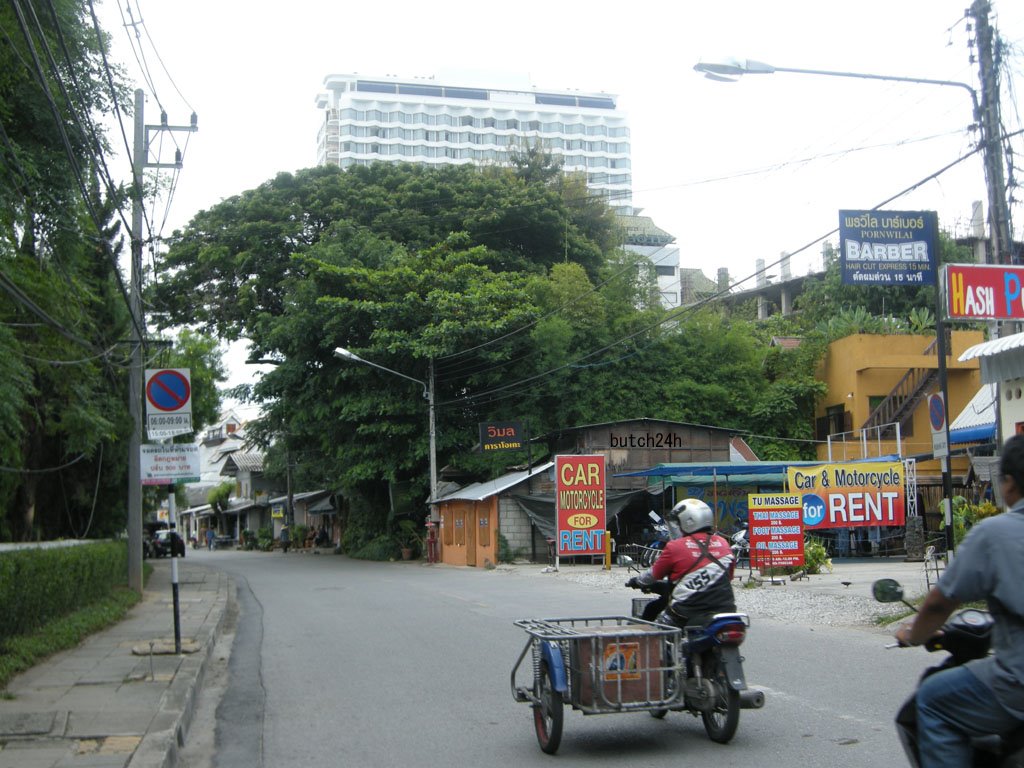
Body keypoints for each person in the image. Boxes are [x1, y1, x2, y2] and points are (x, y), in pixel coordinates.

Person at [895, 433, 1024, 767]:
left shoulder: (995, 533)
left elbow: (939, 603)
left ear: (1008, 483)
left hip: (1017, 683)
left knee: (932, 700)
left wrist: (914, 634)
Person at [628, 498, 736, 628]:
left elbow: (653, 574)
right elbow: (729, 576)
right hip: (726, 609)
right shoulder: (723, 543)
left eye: (678, 523)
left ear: (688, 522)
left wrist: (637, 581)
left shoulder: (675, 546)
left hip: (686, 612)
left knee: (660, 633)